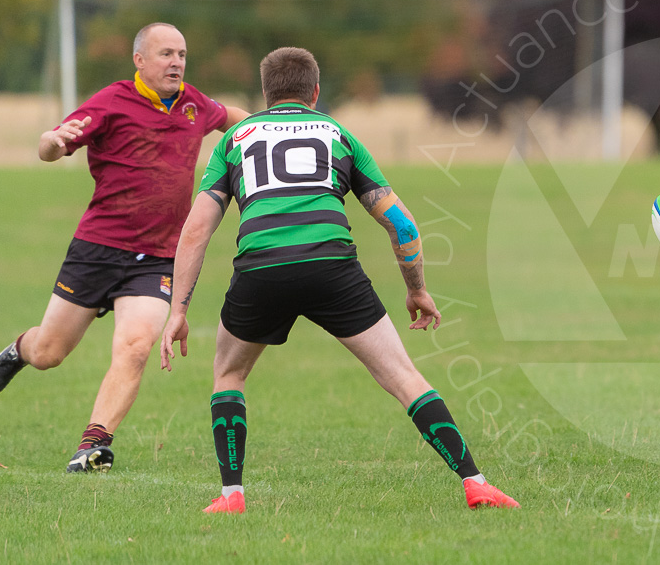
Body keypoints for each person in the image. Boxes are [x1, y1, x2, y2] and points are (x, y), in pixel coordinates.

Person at [159, 47, 518, 513]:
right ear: (316, 91)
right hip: (333, 267)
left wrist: (179, 310)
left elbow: (196, 230)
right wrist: (416, 289)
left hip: (261, 268)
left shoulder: (235, 139)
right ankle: (475, 482)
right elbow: (404, 226)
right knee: (403, 376)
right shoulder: (338, 134)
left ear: (266, 93)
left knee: (229, 373)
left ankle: (232, 496)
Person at [0, 23, 249, 473]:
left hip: (159, 255)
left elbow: (231, 117)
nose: (177, 63)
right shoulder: (111, 101)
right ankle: (18, 350)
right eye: (166, 54)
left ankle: (93, 445)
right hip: (98, 248)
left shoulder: (194, 104)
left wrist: (270, 125)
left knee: (136, 346)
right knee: (50, 353)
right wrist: (52, 142)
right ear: (139, 60)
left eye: (182, 54)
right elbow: (51, 145)